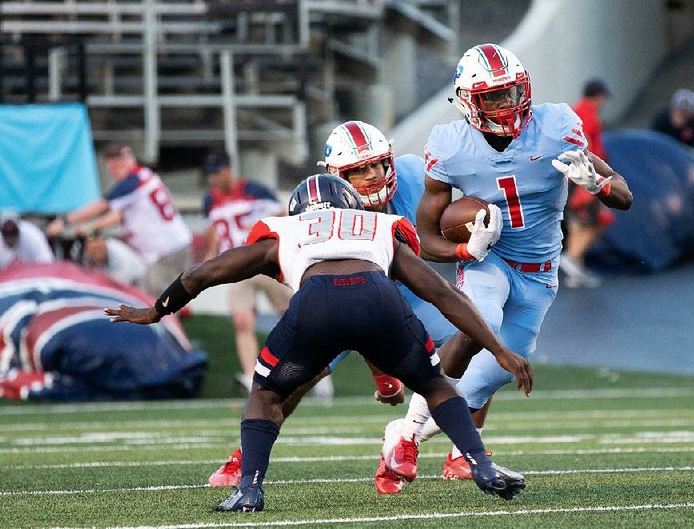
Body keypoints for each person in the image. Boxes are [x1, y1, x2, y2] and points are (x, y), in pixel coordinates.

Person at [106, 174, 531, 512]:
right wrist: (497, 348)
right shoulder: (378, 224)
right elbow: (443, 293)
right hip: (377, 299)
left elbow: (203, 273)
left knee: (266, 393)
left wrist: (157, 310)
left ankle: (250, 488)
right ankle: (479, 463)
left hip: (316, 304)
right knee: (436, 384)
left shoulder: (285, 230)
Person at [376, 43, 633, 492]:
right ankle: (415, 435)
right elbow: (425, 239)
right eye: (492, 96)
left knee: (485, 380)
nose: (506, 104)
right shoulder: (451, 146)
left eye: (512, 92)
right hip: (490, 259)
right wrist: (467, 251)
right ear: (469, 102)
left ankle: (405, 433)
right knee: (482, 322)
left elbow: (625, 197)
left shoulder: (556, 126)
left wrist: (599, 183)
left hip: (539, 272)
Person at [207, 120, 452, 488]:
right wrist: (383, 375)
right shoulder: (320, 209)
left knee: (472, 335)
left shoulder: (416, 175)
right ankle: (244, 458)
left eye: (376, 165)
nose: (371, 177)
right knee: (292, 380)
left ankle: (437, 447)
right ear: (337, 177)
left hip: (411, 299)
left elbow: (446, 221)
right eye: (357, 171)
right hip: (342, 301)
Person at [46, 143, 192, 297]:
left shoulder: (133, 182)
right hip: (169, 249)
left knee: (152, 302)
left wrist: (64, 221)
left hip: (168, 252)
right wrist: (90, 227)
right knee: (149, 298)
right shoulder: (143, 176)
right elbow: (120, 216)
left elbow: (102, 206)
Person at [200, 151, 293, 392]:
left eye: (217, 173)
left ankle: (309, 369)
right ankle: (253, 378)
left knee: (293, 316)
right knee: (242, 320)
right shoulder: (210, 200)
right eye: (209, 175)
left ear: (229, 169)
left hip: (265, 262)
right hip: (238, 267)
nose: (213, 179)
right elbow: (214, 231)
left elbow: (283, 217)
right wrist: (210, 259)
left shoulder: (256, 191)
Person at [561, 78, 616, 288]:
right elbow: (586, 148)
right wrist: (593, 177)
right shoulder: (587, 115)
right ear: (598, 96)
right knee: (601, 219)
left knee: (578, 224)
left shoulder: (576, 111)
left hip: (573, 176)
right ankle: (572, 259)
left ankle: (576, 273)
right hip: (585, 177)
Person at [82, 232, 147, 287]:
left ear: (103, 242)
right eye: (92, 252)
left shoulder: (120, 256)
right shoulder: (89, 251)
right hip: (118, 279)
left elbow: (119, 285)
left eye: (96, 251)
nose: (94, 256)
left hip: (139, 281)